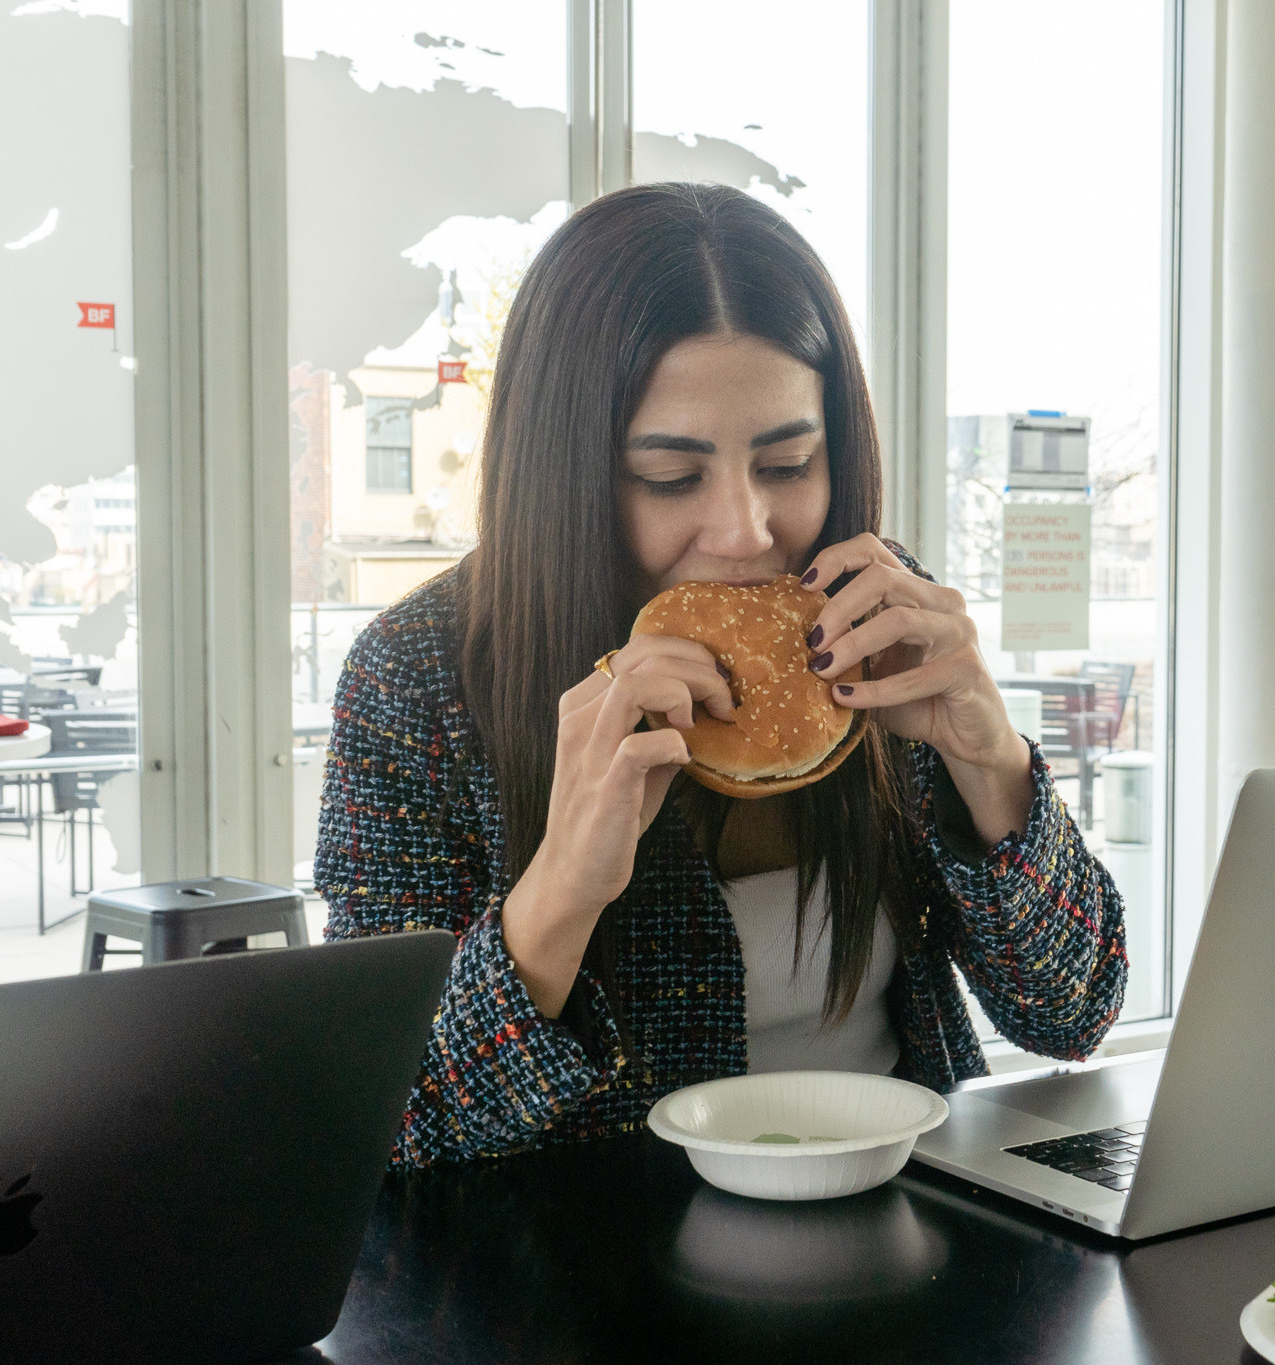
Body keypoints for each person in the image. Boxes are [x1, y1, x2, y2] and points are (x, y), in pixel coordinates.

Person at [316, 183, 1127, 1169]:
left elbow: (1070, 1013)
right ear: (565, 474)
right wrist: (561, 890)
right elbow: (389, 1128)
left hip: (913, 1235)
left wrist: (989, 763)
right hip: (582, 1284)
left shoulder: (877, 618)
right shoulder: (417, 679)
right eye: (669, 477)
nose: (745, 533)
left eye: (787, 463)